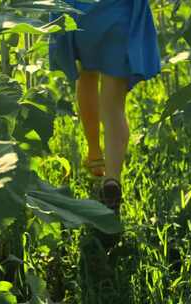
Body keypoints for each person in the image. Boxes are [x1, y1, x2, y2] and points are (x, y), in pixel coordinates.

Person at [49, 0, 161, 214]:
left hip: (80, 16)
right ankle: (112, 179)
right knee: (113, 107)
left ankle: (94, 154)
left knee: (86, 77)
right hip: (118, 15)